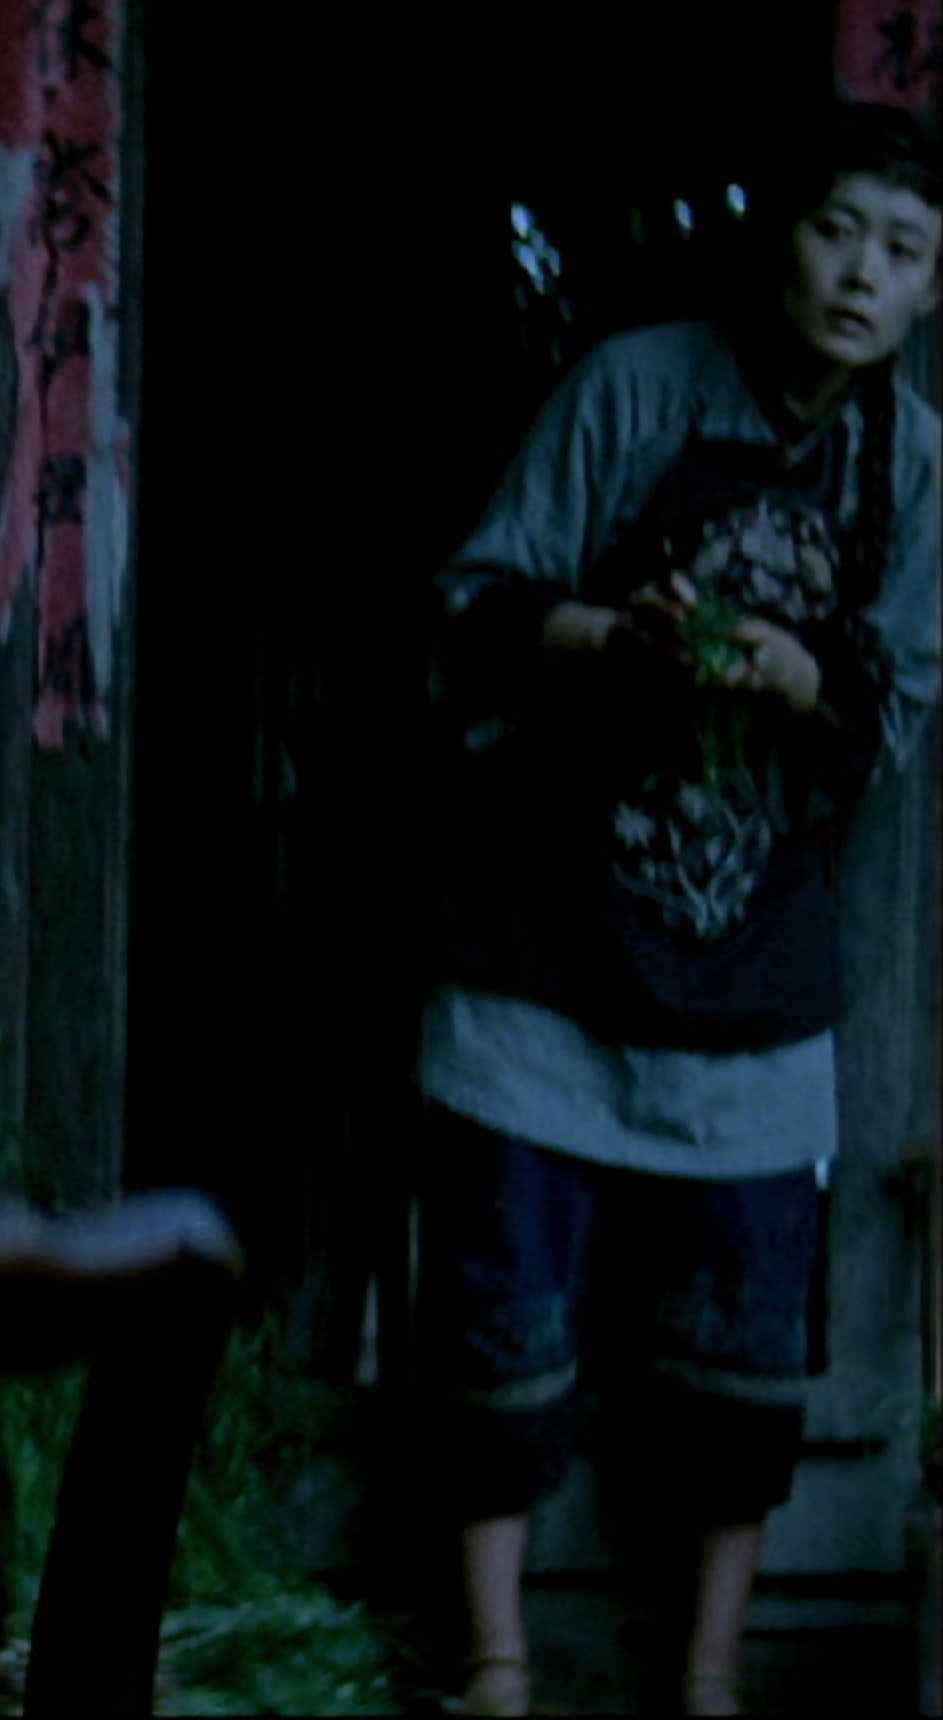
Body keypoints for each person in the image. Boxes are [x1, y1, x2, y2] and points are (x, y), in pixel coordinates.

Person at [416, 104, 939, 1718]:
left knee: (744, 1344)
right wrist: (607, 639)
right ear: (781, 240)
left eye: (903, 252)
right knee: (501, 1309)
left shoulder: (911, 464)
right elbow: (471, 606)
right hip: (545, 926)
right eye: (836, 230)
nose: (860, 275)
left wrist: (800, 678)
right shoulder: (632, 388)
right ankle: (496, 1664)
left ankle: (707, 1677)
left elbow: (897, 703)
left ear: (932, 292)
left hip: (752, 944)